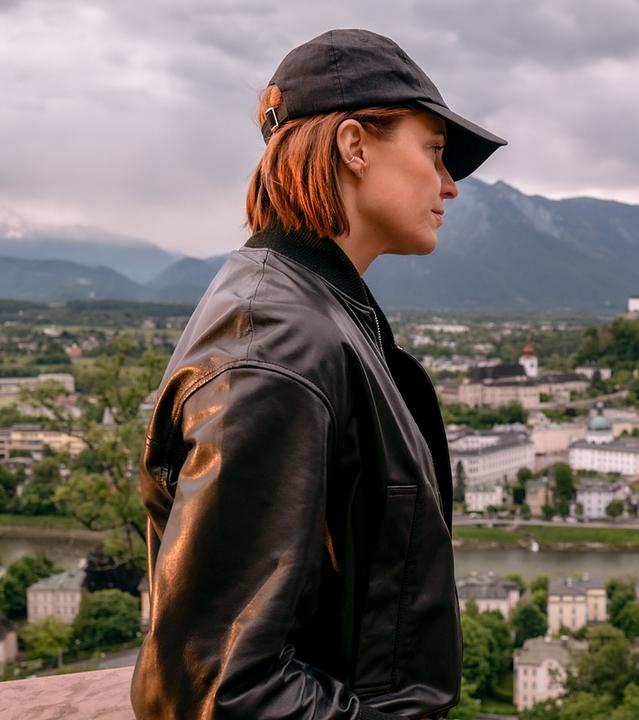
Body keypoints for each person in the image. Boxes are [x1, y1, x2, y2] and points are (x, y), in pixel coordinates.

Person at [131, 29, 505, 720]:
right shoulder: (275, 346)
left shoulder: (309, 313)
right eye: (434, 151)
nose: (450, 185)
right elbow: (215, 688)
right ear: (355, 145)